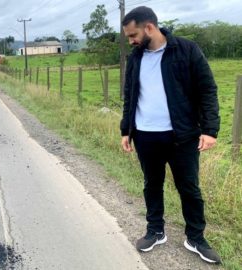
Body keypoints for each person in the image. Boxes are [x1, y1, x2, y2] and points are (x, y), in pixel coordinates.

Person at [120, 6, 221, 264]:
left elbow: (207, 89)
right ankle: (155, 230)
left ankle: (195, 237)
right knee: (151, 185)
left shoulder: (186, 50)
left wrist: (210, 130)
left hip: (182, 136)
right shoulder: (136, 57)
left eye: (133, 35)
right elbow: (129, 95)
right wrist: (126, 131)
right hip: (145, 136)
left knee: (189, 188)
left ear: (149, 28)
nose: (131, 41)